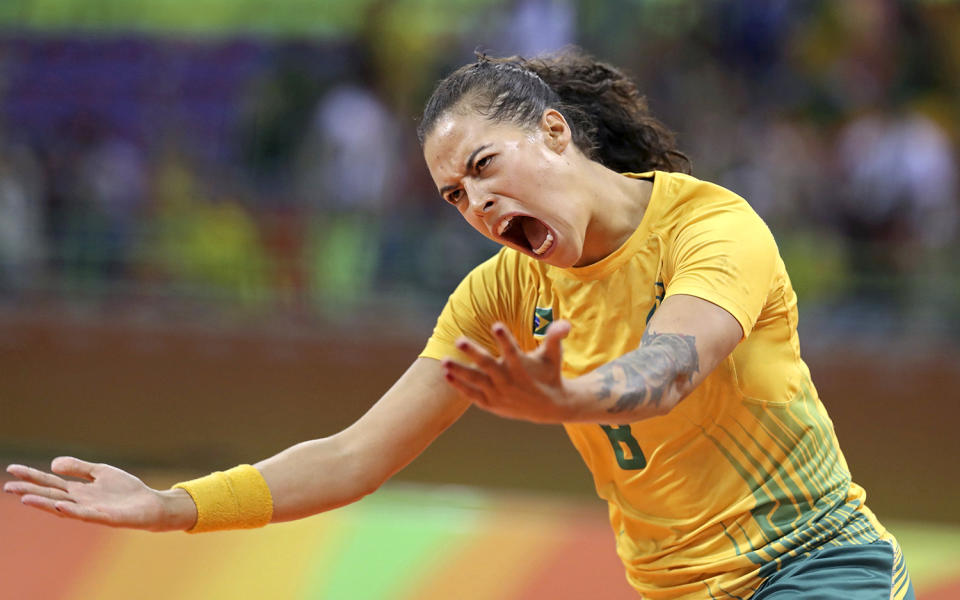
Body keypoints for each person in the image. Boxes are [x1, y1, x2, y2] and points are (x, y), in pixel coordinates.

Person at [4, 49, 914, 600]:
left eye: (485, 165)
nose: (476, 204)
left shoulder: (711, 225)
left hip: (816, 567)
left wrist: (571, 395)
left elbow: (671, 366)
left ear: (556, 133)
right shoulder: (498, 295)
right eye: (453, 194)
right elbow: (355, 455)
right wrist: (173, 508)